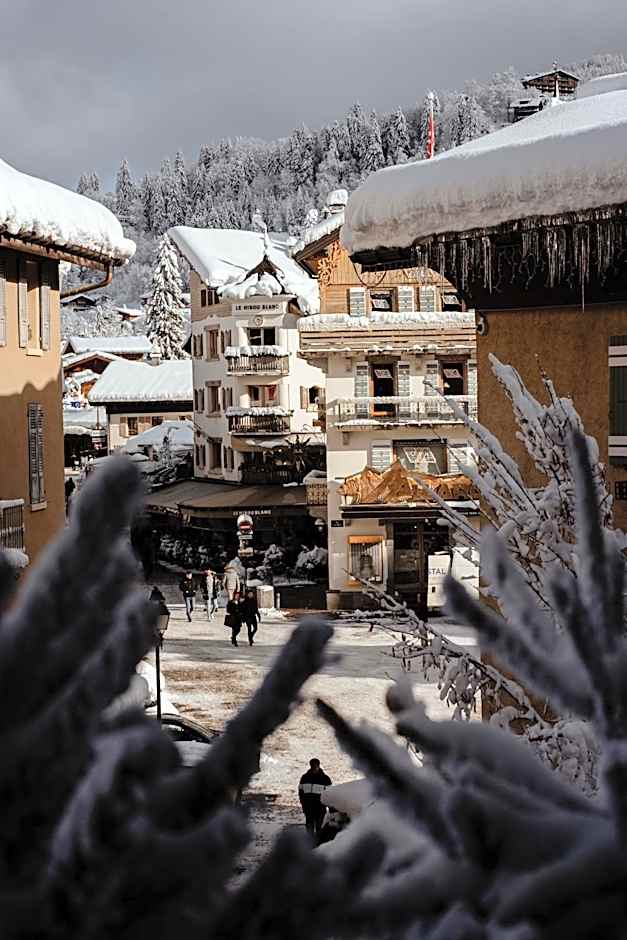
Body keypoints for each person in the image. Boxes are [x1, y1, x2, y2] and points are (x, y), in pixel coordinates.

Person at [298, 758, 332, 839]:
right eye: (313, 766)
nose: (314, 768)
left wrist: (328, 806)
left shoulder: (325, 779)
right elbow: (301, 792)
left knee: (318, 827)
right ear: (310, 766)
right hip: (308, 807)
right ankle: (310, 844)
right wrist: (303, 804)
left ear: (318, 765)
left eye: (316, 766)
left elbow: (329, 793)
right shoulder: (304, 777)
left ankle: (317, 845)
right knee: (309, 827)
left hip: (320, 808)